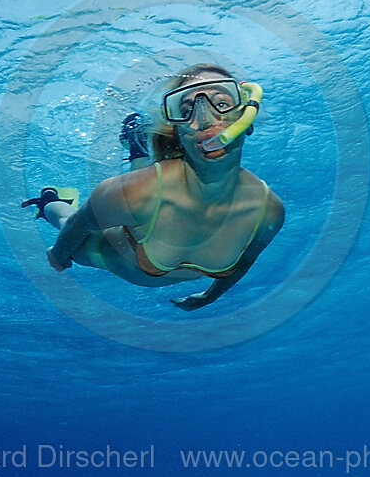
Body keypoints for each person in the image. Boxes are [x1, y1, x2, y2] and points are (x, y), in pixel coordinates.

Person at [21, 64, 284, 310]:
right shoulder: (125, 193)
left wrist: (208, 297)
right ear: (179, 133)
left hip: (147, 206)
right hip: (114, 251)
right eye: (187, 109)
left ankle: (138, 142)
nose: (205, 119)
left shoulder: (268, 211)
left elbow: (245, 261)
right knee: (70, 218)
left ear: (246, 121)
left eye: (222, 103)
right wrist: (58, 257)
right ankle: (50, 201)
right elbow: (78, 226)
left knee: (143, 188)